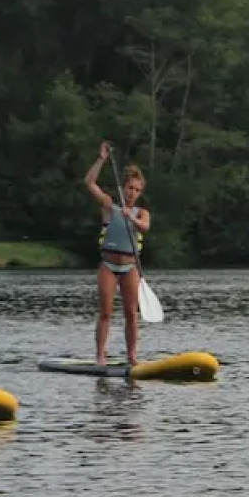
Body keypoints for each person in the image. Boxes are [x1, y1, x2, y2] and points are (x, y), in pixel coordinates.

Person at [85, 140, 149, 365]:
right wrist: (101, 159)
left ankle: (132, 356)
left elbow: (144, 227)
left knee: (132, 314)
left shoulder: (141, 212)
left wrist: (130, 216)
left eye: (137, 190)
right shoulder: (109, 206)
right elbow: (89, 182)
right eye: (130, 188)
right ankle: (101, 356)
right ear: (123, 188)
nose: (132, 193)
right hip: (109, 267)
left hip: (130, 267)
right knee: (106, 312)